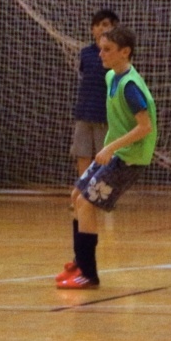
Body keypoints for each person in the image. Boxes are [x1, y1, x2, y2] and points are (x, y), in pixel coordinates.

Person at [57, 26, 156, 289]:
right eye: (100, 49)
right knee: (76, 196)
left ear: (125, 52)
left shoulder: (130, 86)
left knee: (86, 203)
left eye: (107, 50)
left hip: (130, 158)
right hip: (118, 153)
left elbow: (145, 127)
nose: (101, 54)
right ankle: (80, 262)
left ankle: (89, 274)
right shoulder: (111, 76)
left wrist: (110, 147)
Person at [71, 9, 120, 176]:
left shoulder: (117, 54)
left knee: (104, 155)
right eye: (97, 25)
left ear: (114, 28)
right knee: (82, 153)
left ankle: (102, 189)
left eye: (105, 24)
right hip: (84, 112)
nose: (100, 28)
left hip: (105, 114)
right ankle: (83, 188)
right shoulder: (85, 53)